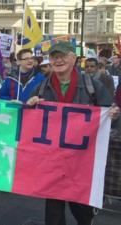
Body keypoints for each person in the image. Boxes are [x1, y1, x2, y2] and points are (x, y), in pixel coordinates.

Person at [26, 41, 120, 225]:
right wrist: (30, 104)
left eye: (62, 56)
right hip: (53, 159)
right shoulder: (42, 86)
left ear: (73, 58)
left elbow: (109, 113)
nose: (58, 60)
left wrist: (113, 114)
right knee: (53, 212)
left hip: (81, 160)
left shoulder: (91, 85)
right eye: (54, 57)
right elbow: (27, 114)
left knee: (81, 210)